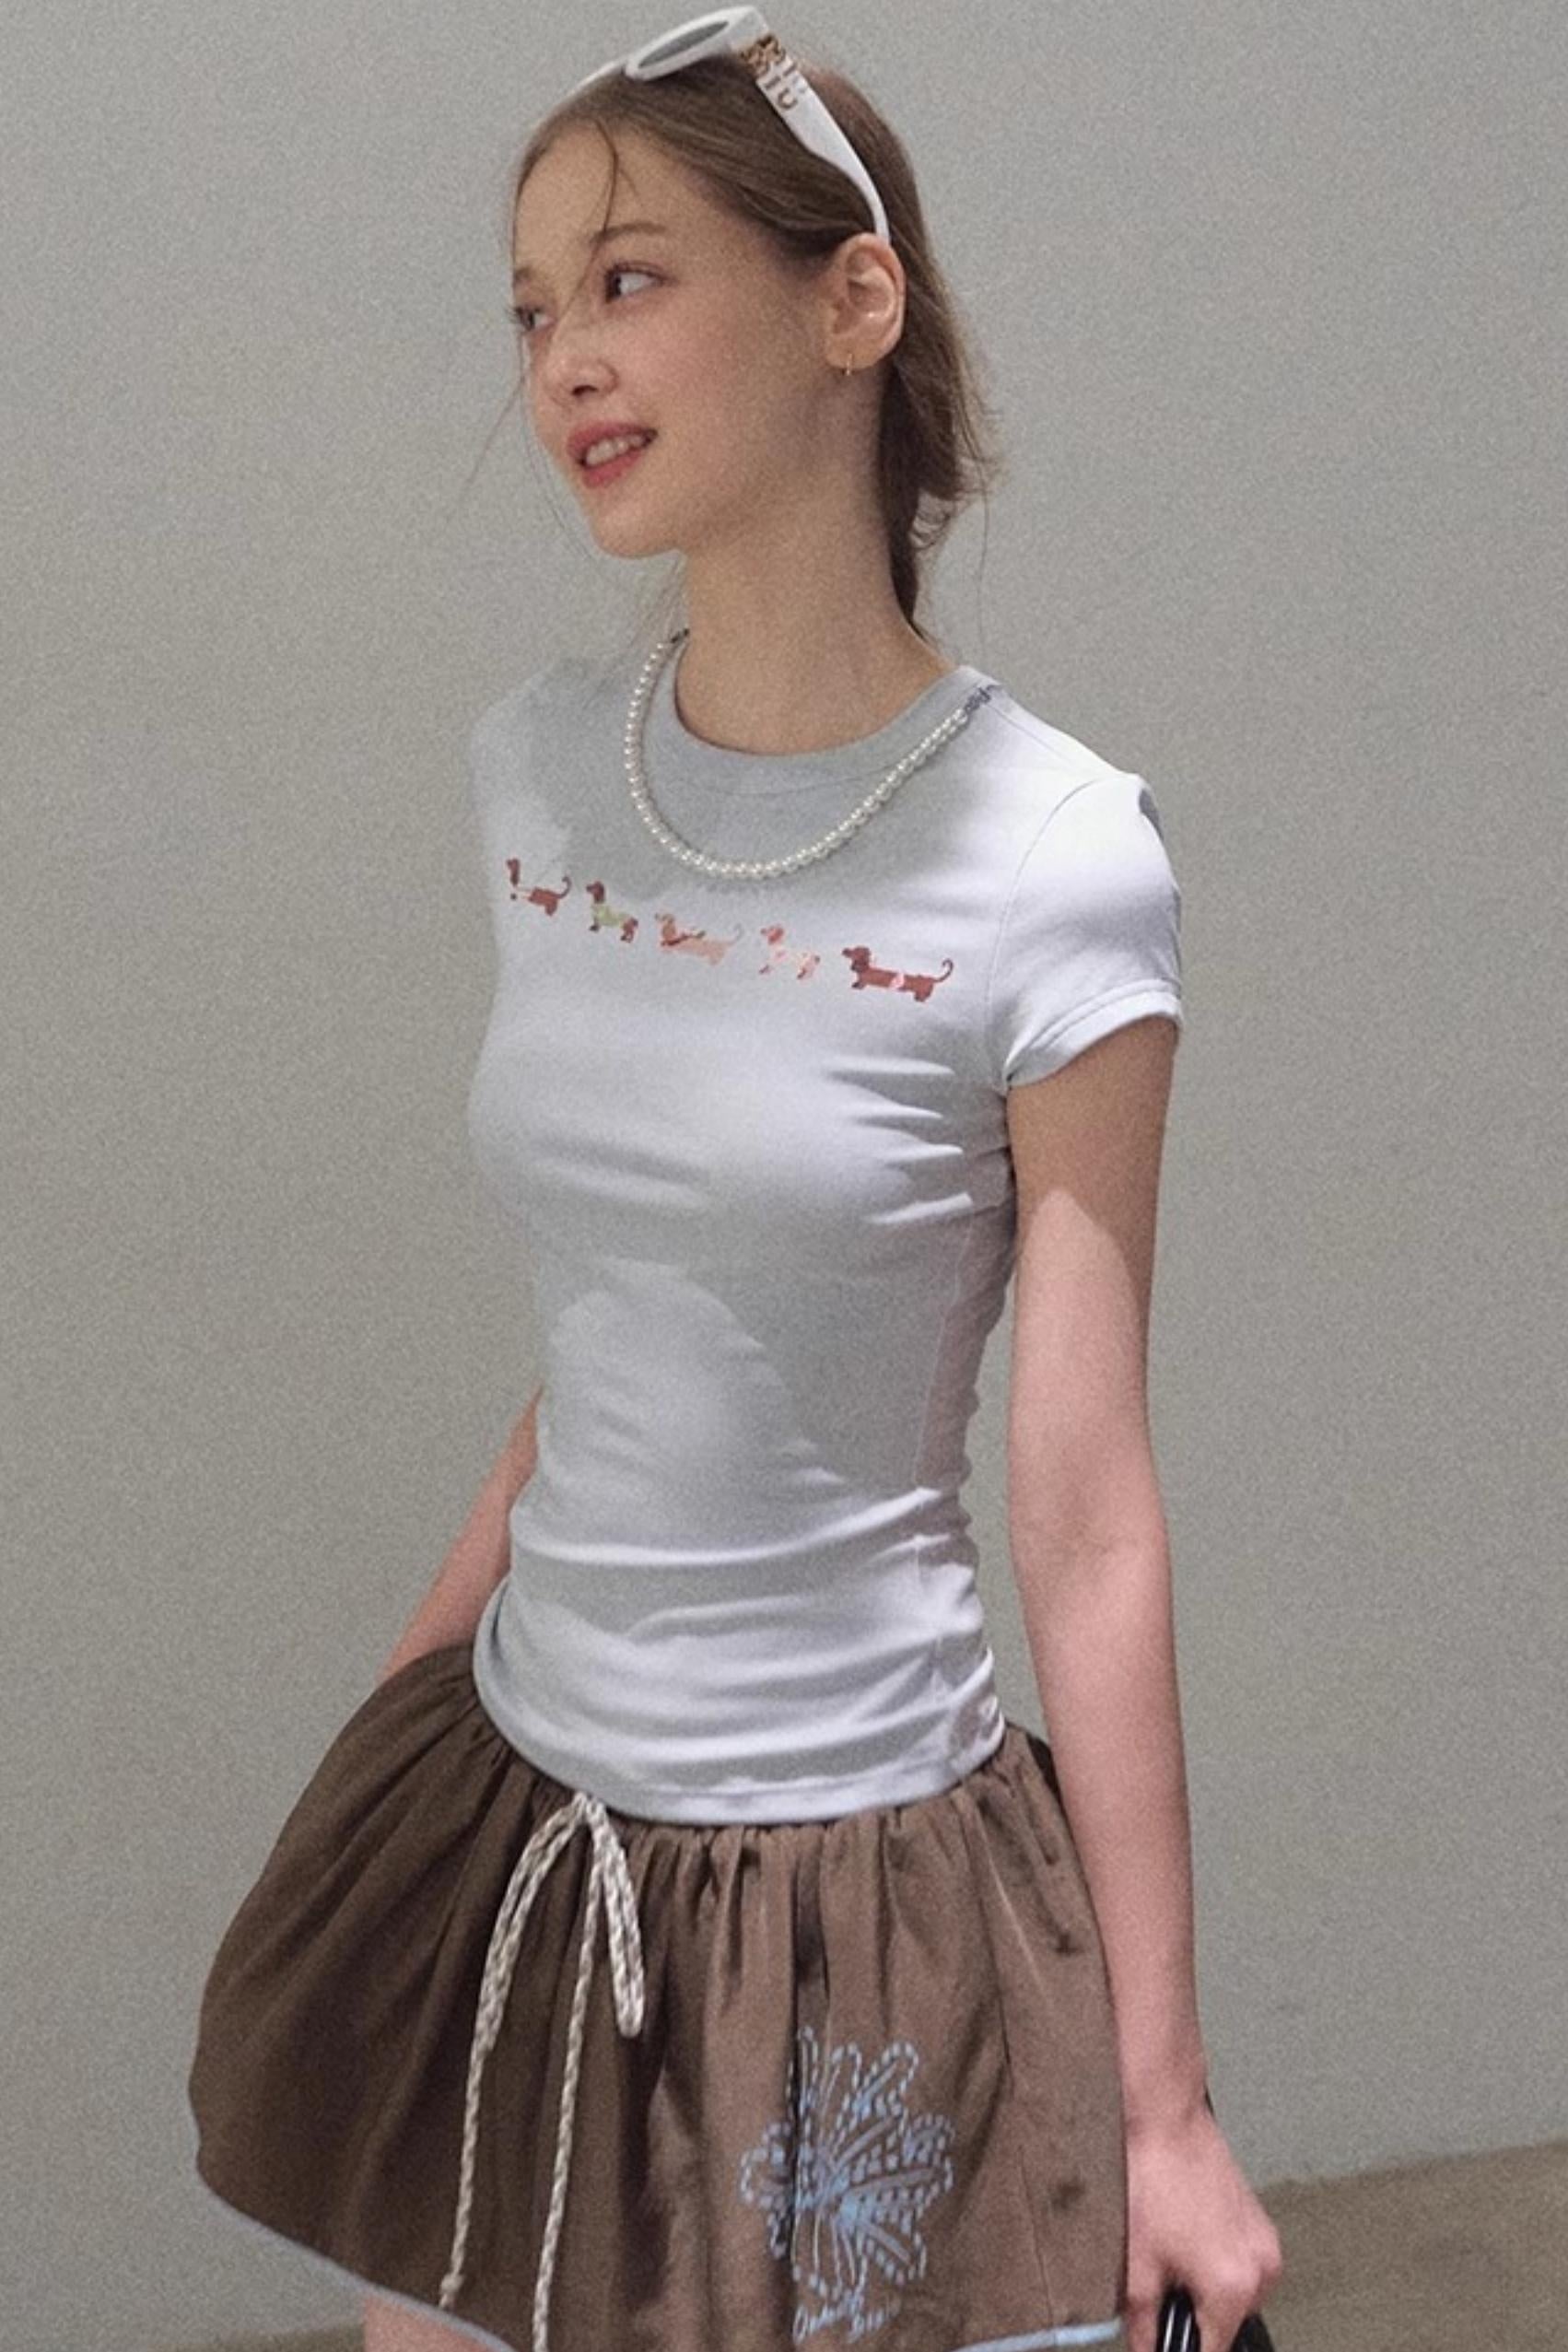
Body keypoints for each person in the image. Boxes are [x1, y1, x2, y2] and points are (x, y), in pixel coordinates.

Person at [186, 15, 1285, 2352]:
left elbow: (1083, 1505)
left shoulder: (1057, 854)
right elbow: (620, 1331)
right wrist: (391, 1738)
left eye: (626, 278)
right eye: (530, 308)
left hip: (860, 1883)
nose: (561, 360)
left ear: (848, 301)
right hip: (530, 1834)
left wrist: (1165, 2098)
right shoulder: (535, 777)